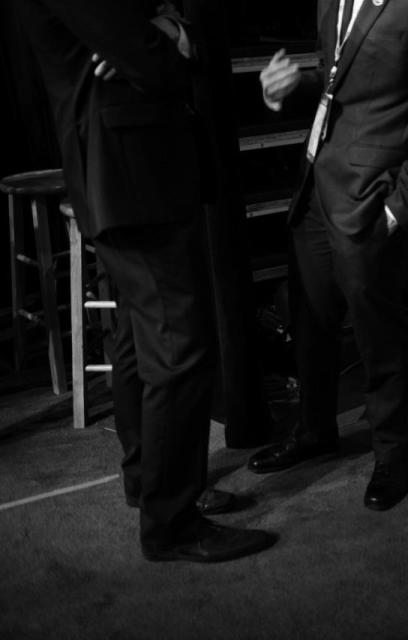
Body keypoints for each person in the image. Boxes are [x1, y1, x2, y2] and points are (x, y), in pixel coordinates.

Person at [15, 0, 275, 562]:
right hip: (130, 178)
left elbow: (155, 28)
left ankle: (147, 482)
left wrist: (167, 28)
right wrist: (165, 41)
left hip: (130, 175)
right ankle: (172, 523)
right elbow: (148, 59)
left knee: (139, 339)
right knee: (180, 348)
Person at [247, 0, 408, 511]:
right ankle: (314, 430)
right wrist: (291, 86)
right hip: (315, 191)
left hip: (370, 203)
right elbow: (336, 80)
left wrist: (397, 211)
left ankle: (393, 453)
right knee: (310, 323)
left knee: (378, 336)